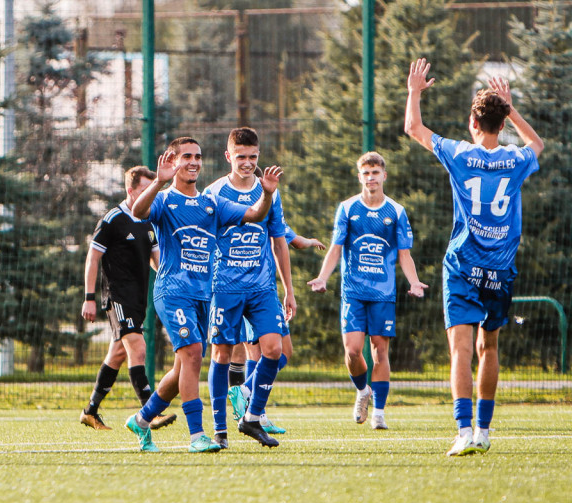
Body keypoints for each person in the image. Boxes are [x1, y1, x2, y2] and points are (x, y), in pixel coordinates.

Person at [404, 58, 542, 456]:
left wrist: (415, 91)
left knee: (461, 351)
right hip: (500, 269)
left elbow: (414, 128)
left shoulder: (461, 154)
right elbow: (537, 144)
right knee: (490, 348)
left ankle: (463, 432)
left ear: (473, 124)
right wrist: (510, 107)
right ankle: (483, 431)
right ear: (501, 123)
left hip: (463, 266)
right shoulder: (515, 159)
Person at [125, 136, 281, 453]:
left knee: (183, 366)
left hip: (203, 294)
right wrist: (158, 182)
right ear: (173, 161)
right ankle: (197, 436)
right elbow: (138, 211)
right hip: (172, 292)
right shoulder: (166, 200)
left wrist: (266, 194)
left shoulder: (212, 203)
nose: (194, 162)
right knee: (194, 353)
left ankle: (142, 419)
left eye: (197, 156)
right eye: (187, 156)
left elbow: (255, 215)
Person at [307, 152, 427, 430]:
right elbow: (336, 248)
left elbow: (404, 255)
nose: (371, 177)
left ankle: (379, 414)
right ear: (359, 176)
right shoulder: (348, 209)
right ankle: (363, 390)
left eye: (375, 172)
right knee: (352, 351)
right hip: (353, 291)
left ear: (384, 176)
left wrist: (414, 281)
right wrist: (323, 277)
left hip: (383, 293)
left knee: (380, 352)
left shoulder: (396, 211)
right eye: (366, 173)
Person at [204, 127, 292, 449]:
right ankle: (219, 430)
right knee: (222, 353)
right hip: (225, 286)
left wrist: (289, 290)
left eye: (252, 157)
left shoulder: (271, 191)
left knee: (274, 349)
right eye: (240, 157)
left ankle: (252, 417)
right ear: (228, 157)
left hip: (262, 287)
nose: (247, 163)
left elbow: (279, 241)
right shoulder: (213, 194)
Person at [80, 166, 175, 431]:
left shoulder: (148, 221)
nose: (149, 196)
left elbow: (158, 261)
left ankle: (90, 411)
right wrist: (89, 297)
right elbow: (93, 258)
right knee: (138, 348)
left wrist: (174, 283)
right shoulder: (112, 219)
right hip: (117, 296)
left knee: (118, 353)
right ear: (130, 190)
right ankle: (150, 411)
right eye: (144, 190)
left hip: (137, 298)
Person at [230, 224, 326, 433]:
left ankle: (256, 410)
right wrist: (310, 241)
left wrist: (309, 241)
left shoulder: (264, 209)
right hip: (259, 293)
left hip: (240, 290)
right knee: (268, 351)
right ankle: (249, 396)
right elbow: (296, 242)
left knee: (262, 353)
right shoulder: (261, 209)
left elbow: (290, 239)